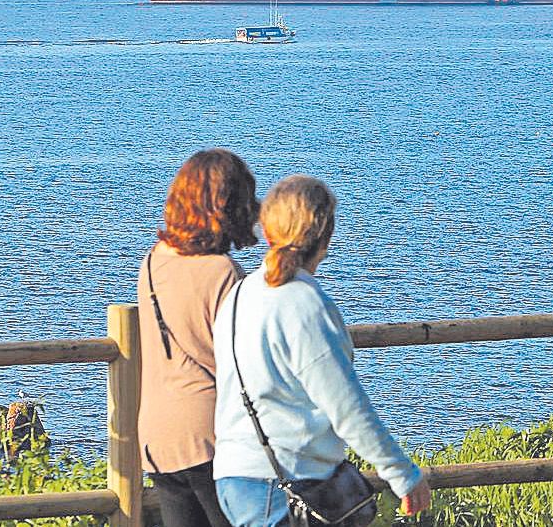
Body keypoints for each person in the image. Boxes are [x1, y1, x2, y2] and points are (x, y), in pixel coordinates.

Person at [212, 175, 430, 527]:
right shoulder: (305, 304)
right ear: (325, 238)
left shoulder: (237, 297)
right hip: (289, 480)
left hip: (234, 476)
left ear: (267, 232)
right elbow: (345, 403)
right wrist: (401, 472)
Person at [138, 149, 259, 527]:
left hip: (159, 435)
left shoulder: (154, 261)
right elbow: (245, 364)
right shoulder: (223, 273)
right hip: (212, 436)